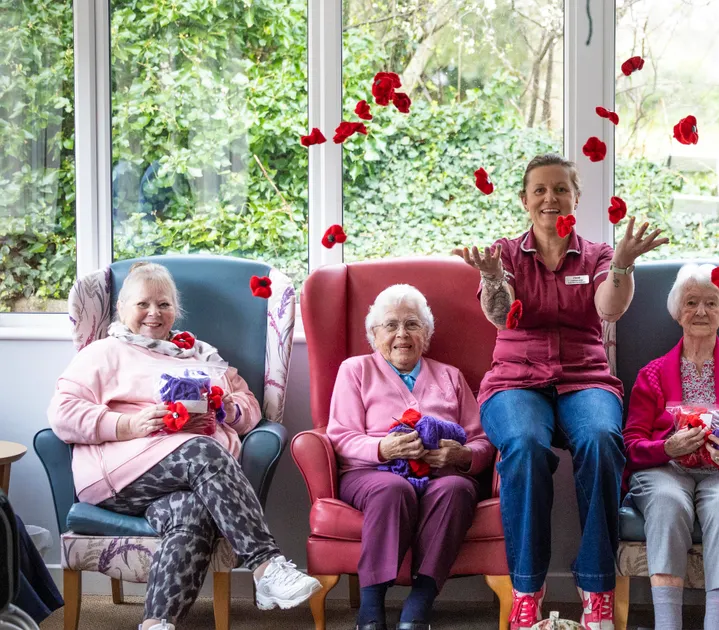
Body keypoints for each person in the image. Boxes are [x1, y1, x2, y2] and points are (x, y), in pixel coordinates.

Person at [454, 153, 668, 630]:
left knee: (600, 440)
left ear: (576, 197)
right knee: (526, 446)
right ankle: (527, 588)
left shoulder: (596, 255)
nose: (550, 198)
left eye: (561, 189)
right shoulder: (506, 253)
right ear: (524, 200)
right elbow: (499, 312)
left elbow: (608, 309)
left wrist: (625, 266)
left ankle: (596, 588)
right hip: (515, 381)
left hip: (585, 378)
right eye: (540, 190)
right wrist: (491, 277)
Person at [47, 262, 321, 630]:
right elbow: (63, 413)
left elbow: (251, 409)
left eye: (164, 304)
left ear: (176, 310)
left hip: (189, 478)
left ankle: (158, 622)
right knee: (203, 451)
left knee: (191, 512)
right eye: (142, 304)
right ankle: (266, 565)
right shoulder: (104, 353)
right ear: (122, 309)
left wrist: (224, 408)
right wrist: (129, 423)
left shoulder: (201, 356)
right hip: (122, 476)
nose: (153, 313)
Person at [327, 284, 495, 630]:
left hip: (440, 476)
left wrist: (461, 455)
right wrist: (381, 449)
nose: (401, 334)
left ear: (427, 334)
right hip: (371, 474)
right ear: (374, 335)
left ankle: (420, 602)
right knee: (393, 489)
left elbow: (482, 441)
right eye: (390, 325)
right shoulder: (355, 370)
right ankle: (370, 606)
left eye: (412, 325)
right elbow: (340, 435)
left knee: (456, 490)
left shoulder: (450, 376)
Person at [622, 263, 719, 630]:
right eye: (691, 302)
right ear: (678, 312)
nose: (702, 311)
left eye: (711, 302)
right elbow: (631, 443)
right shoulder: (653, 373)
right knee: (666, 502)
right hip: (665, 471)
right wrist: (667, 447)